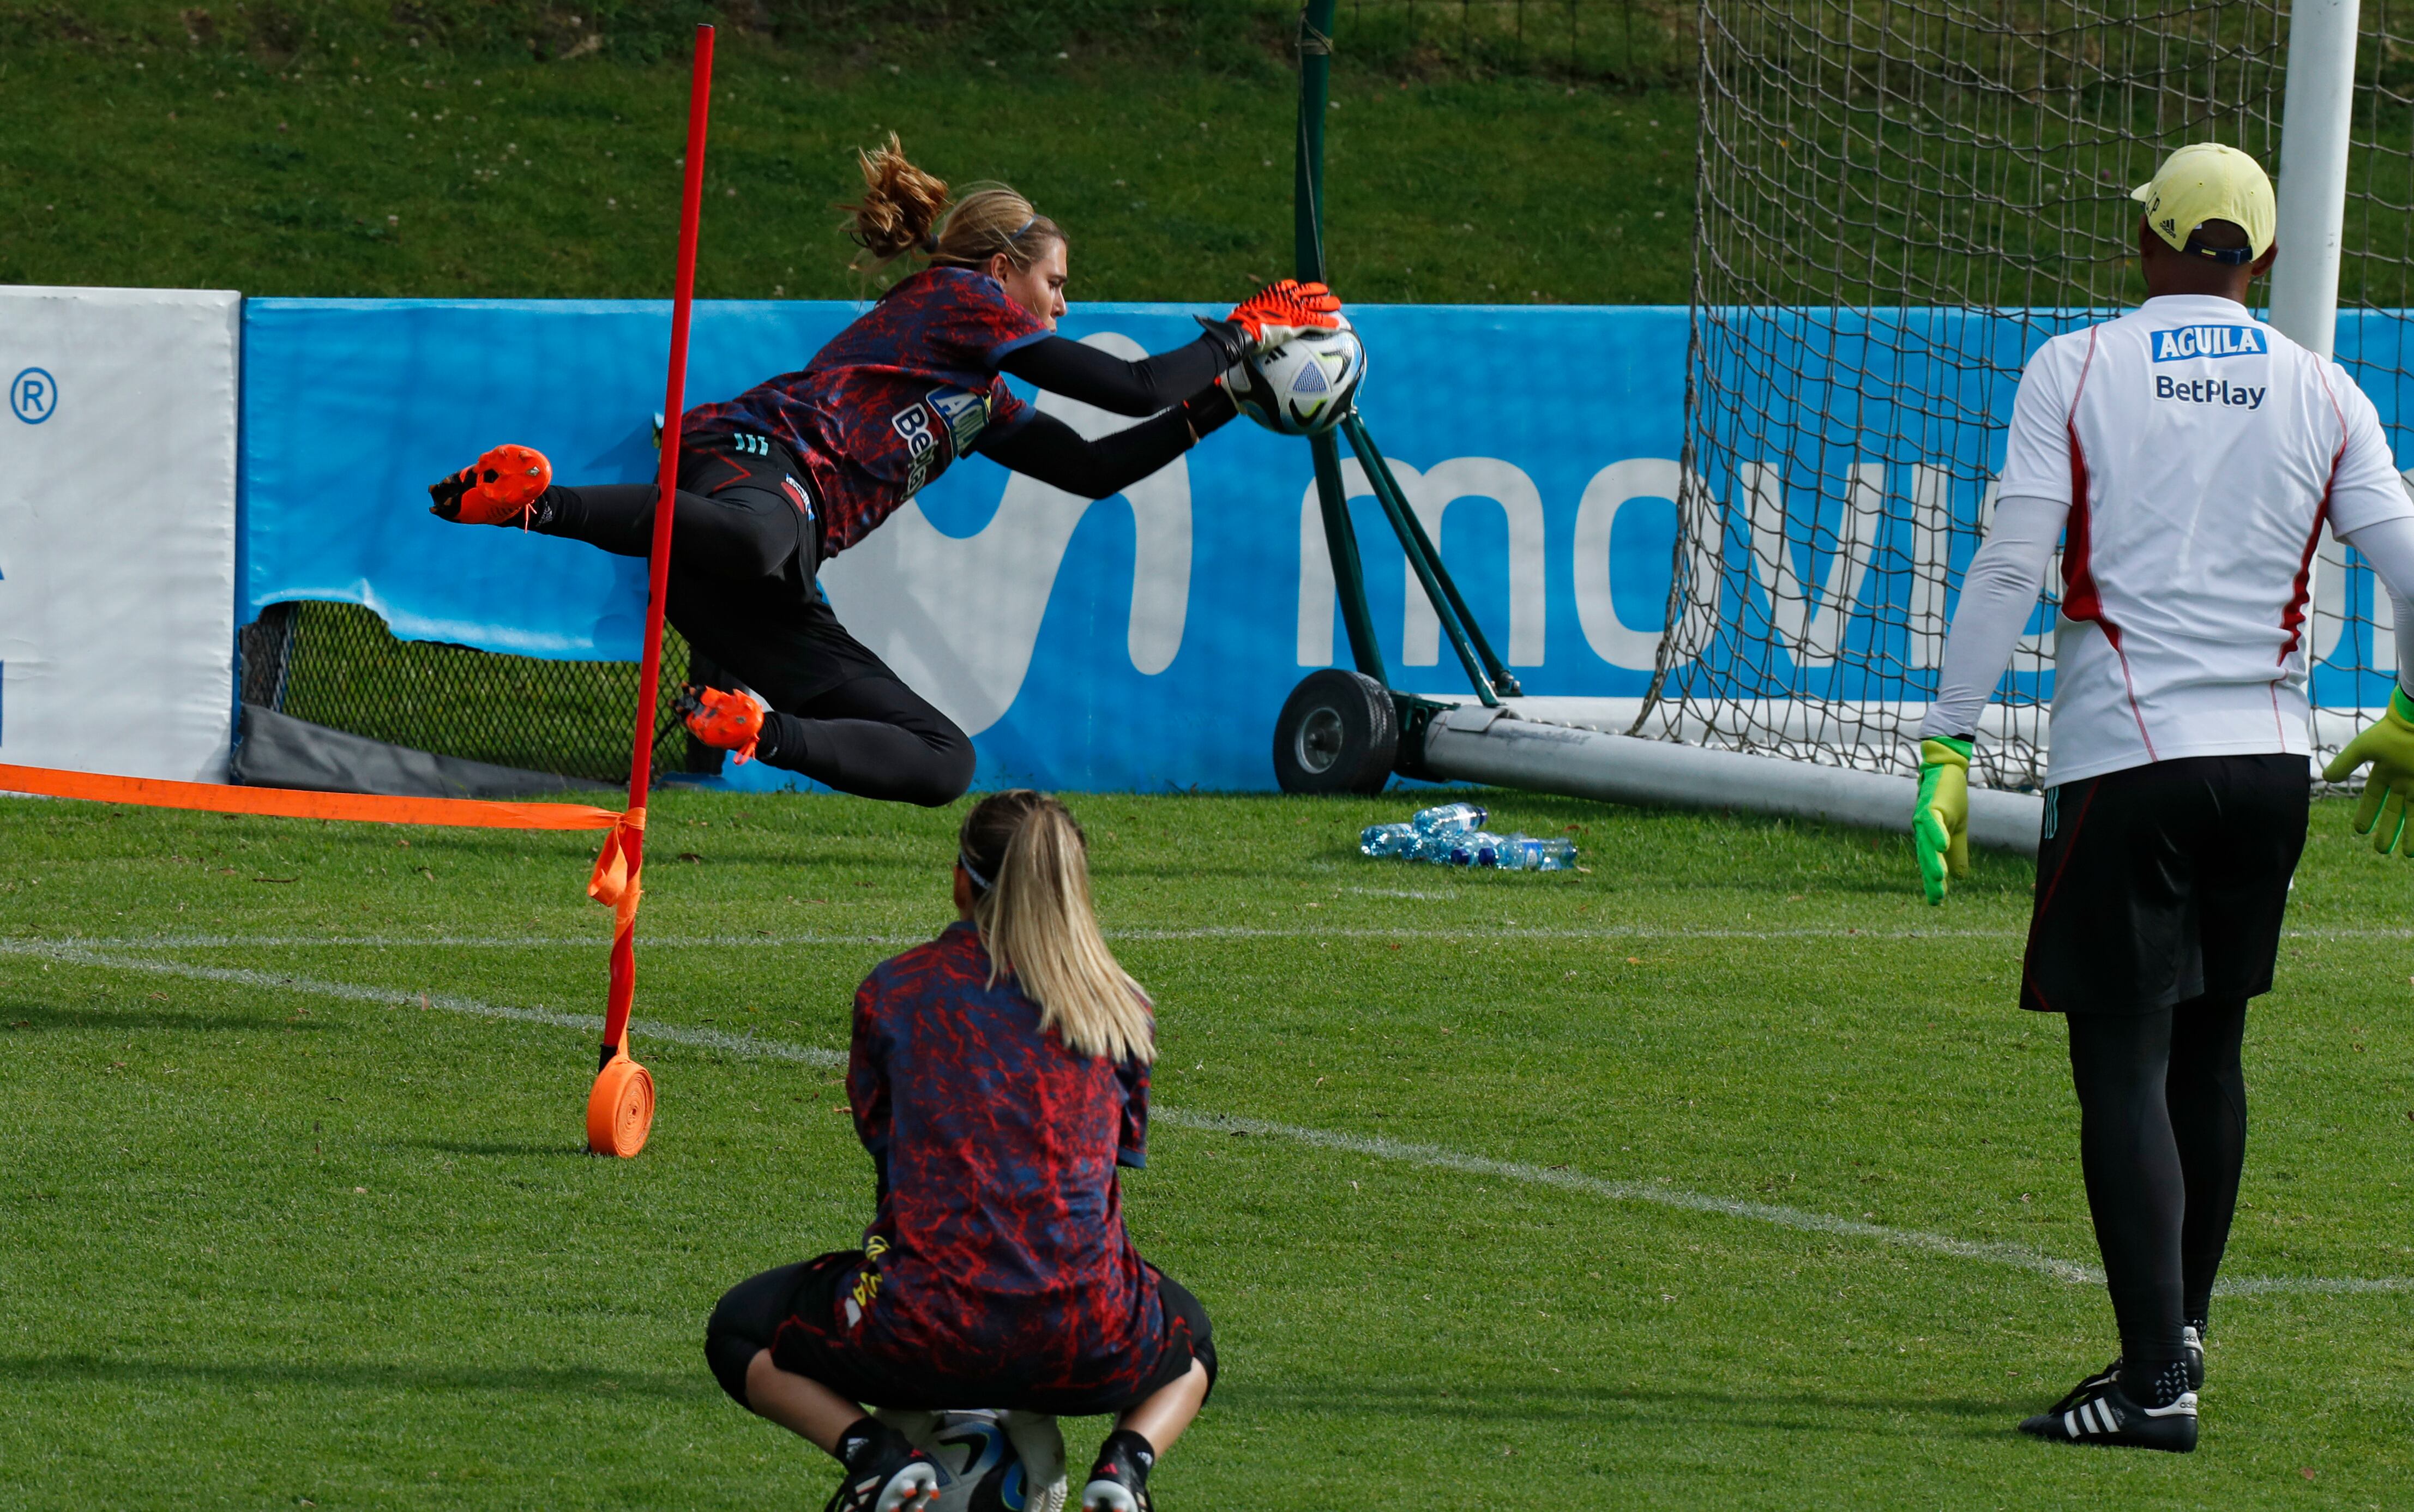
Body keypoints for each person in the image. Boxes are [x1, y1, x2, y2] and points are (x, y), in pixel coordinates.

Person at [1913, 141, 2414, 1451]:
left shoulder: (2073, 367)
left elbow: (2011, 562)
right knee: (2213, 1049)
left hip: (2127, 763)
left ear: (2147, 242)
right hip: (2268, 766)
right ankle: (2173, 1345)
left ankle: (2150, 1386)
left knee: (2123, 1064)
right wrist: (2412, 715)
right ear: (2260, 262)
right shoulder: (2323, 387)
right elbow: (2413, 565)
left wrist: (1946, 747)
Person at [429, 135, 1343, 806]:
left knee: (943, 759)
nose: (1065, 302)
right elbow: (1134, 387)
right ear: (1001, 270)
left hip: (777, 562)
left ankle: (755, 728)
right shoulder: (960, 299)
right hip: (753, 460)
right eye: (1056, 281)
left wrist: (1228, 397)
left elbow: (1094, 470)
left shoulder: (981, 392)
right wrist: (1240, 332)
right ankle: (531, 504)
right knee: (755, 537)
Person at [702, 790, 1214, 1512]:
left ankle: (872, 1455)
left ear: (960, 879)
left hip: (922, 1326)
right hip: (1087, 1333)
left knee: (739, 1326)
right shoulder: (1120, 1010)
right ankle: (1124, 1470)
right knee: (1195, 1342)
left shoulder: (895, 991)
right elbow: (1107, 1167)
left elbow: (888, 1153)